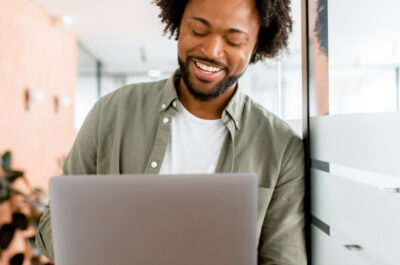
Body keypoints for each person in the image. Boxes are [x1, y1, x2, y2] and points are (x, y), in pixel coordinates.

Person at [36, 0, 306, 264]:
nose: (212, 50)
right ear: (179, 24)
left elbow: (285, 258)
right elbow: (51, 229)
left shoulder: (281, 148)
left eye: (234, 41)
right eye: (198, 31)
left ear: (257, 43)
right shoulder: (111, 112)